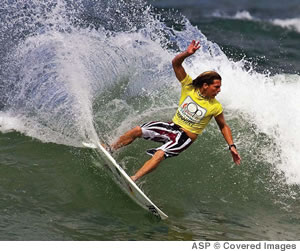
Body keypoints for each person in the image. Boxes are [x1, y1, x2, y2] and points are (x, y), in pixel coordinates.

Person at [109, 40, 241, 182]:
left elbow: (223, 126)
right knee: (137, 130)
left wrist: (231, 146)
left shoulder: (215, 106)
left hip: (185, 138)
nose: (219, 90)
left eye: (219, 87)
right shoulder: (189, 87)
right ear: (205, 85)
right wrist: (186, 53)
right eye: (216, 87)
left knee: (160, 153)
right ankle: (110, 149)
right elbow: (176, 64)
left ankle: (133, 179)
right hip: (171, 127)